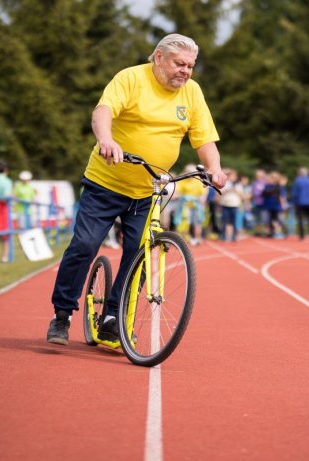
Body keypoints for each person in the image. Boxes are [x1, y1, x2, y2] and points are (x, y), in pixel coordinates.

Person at [47, 34, 226, 346]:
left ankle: (113, 317)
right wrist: (106, 139)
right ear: (158, 57)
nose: (185, 71)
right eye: (179, 63)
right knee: (85, 245)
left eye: (190, 66)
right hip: (106, 184)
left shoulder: (192, 93)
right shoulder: (130, 78)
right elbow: (102, 112)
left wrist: (215, 168)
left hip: (148, 190)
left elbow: (203, 138)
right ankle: (62, 314)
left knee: (138, 256)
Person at [173, 163, 208, 245]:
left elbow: (203, 193)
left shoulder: (198, 180)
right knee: (185, 222)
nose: (188, 174)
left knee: (197, 222)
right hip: (184, 204)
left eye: (190, 172)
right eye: (187, 172)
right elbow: (178, 192)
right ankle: (185, 239)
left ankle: (197, 238)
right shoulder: (182, 181)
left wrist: (202, 202)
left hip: (196, 204)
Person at [291, 166, 309, 240]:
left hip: (300, 202)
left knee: (300, 220)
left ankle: (302, 236)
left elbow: (294, 193)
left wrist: (294, 202)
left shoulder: (297, 181)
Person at [219, 168, 244, 242]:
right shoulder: (224, 183)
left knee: (234, 222)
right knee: (224, 221)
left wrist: (235, 189)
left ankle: (234, 236)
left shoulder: (238, 184)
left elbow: (242, 196)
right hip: (225, 204)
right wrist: (227, 189)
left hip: (235, 205)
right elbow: (220, 193)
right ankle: (224, 236)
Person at [262, 171, 287, 239]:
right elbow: (263, 194)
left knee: (278, 219)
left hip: (276, 205)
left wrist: (283, 205)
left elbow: (282, 197)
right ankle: (272, 232)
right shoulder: (267, 186)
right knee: (270, 220)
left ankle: (279, 232)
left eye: (271, 178)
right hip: (268, 205)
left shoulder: (279, 186)